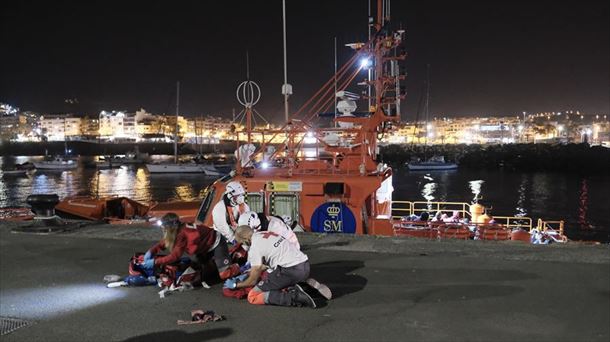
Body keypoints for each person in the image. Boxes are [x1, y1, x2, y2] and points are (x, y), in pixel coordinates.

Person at [224, 225, 332, 308]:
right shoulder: (265, 233)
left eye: (242, 243)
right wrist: (251, 271)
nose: (243, 245)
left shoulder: (254, 248)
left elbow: (252, 281)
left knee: (253, 296)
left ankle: (296, 297)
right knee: (274, 278)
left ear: (246, 239)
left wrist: (235, 285)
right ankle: (307, 287)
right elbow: (266, 264)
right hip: (304, 265)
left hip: (291, 271)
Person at [143, 213, 240, 280]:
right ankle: (215, 264)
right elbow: (165, 241)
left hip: (216, 243)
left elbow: (174, 256)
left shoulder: (183, 234)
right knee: (197, 272)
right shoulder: (179, 229)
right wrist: (152, 251)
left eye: (164, 228)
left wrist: (155, 262)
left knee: (224, 275)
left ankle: (238, 266)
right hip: (204, 247)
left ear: (170, 228)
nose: (163, 230)